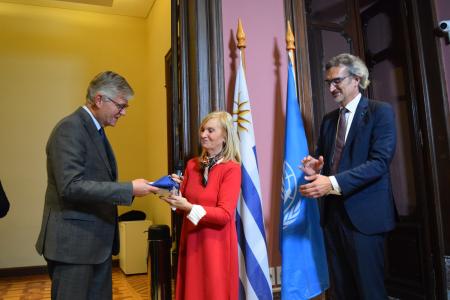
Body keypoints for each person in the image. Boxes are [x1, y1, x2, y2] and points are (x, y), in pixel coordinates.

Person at [35, 71, 159, 300]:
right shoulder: (70, 129)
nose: (123, 112)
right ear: (99, 99)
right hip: (74, 245)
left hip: (95, 244)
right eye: (121, 106)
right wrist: (128, 189)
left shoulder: (94, 130)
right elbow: (71, 186)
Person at [300, 53, 397, 299]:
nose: (331, 88)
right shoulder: (329, 120)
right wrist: (316, 169)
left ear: (356, 79)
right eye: (328, 83)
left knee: (369, 292)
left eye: (337, 81)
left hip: (365, 219)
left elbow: (379, 163)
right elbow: (325, 160)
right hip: (333, 218)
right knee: (341, 293)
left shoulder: (380, 112)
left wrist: (332, 182)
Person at [162, 111, 241, 300]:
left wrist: (188, 206)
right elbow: (184, 205)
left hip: (216, 246)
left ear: (225, 136)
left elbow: (224, 215)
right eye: (202, 129)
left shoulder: (232, 169)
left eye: (210, 130)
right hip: (191, 241)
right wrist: (173, 194)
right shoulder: (192, 165)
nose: (203, 134)